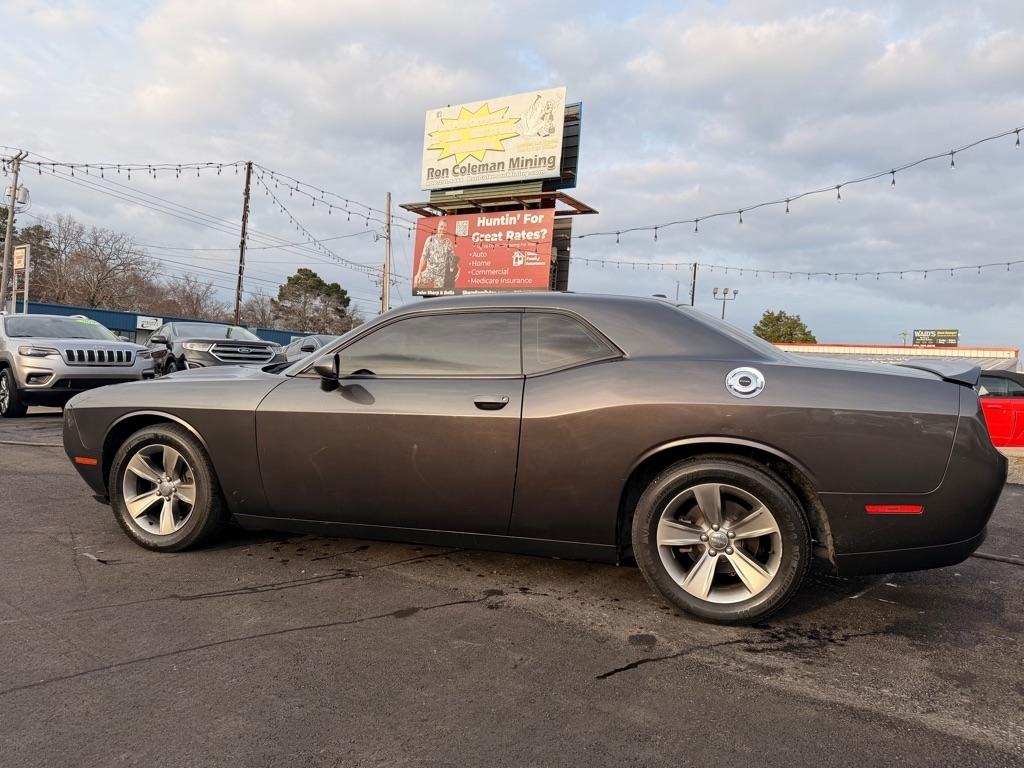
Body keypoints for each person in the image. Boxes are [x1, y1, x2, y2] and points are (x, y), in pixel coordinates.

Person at [414, 219, 459, 292]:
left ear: (446, 229)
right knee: (417, 283)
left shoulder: (448, 242)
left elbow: (452, 259)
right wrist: (418, 273)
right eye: (441, 227)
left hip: (441, 276)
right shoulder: (430, 239)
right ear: (438, 227)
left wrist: (458, 269)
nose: (443, 229)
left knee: (438, 297)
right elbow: (424, 256)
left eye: (444, 227)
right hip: (429, 271)